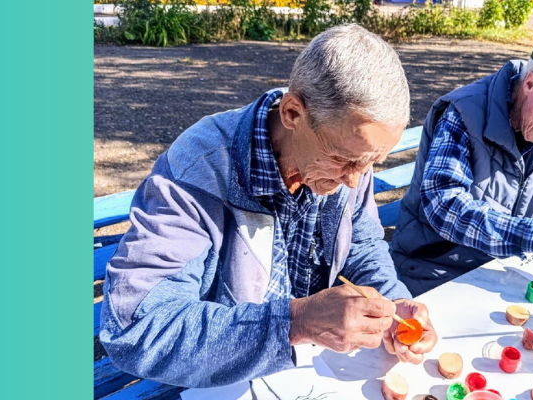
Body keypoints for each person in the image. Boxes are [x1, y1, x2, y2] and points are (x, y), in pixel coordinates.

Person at [96, 24, 437, 388]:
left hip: (310, 370)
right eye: (344, 160)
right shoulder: (198, 172)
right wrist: (296, 322)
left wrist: (393, 301)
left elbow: (362, 244)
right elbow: (137, 329)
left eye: (371, 162)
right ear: (292, 113)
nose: (355, 180)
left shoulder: (347, 147)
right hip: (217, 380)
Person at [390, 25, 533, 295]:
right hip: (433, 265)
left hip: (500, 264)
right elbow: (445, 208)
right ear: (530, 84)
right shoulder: (464, 113)